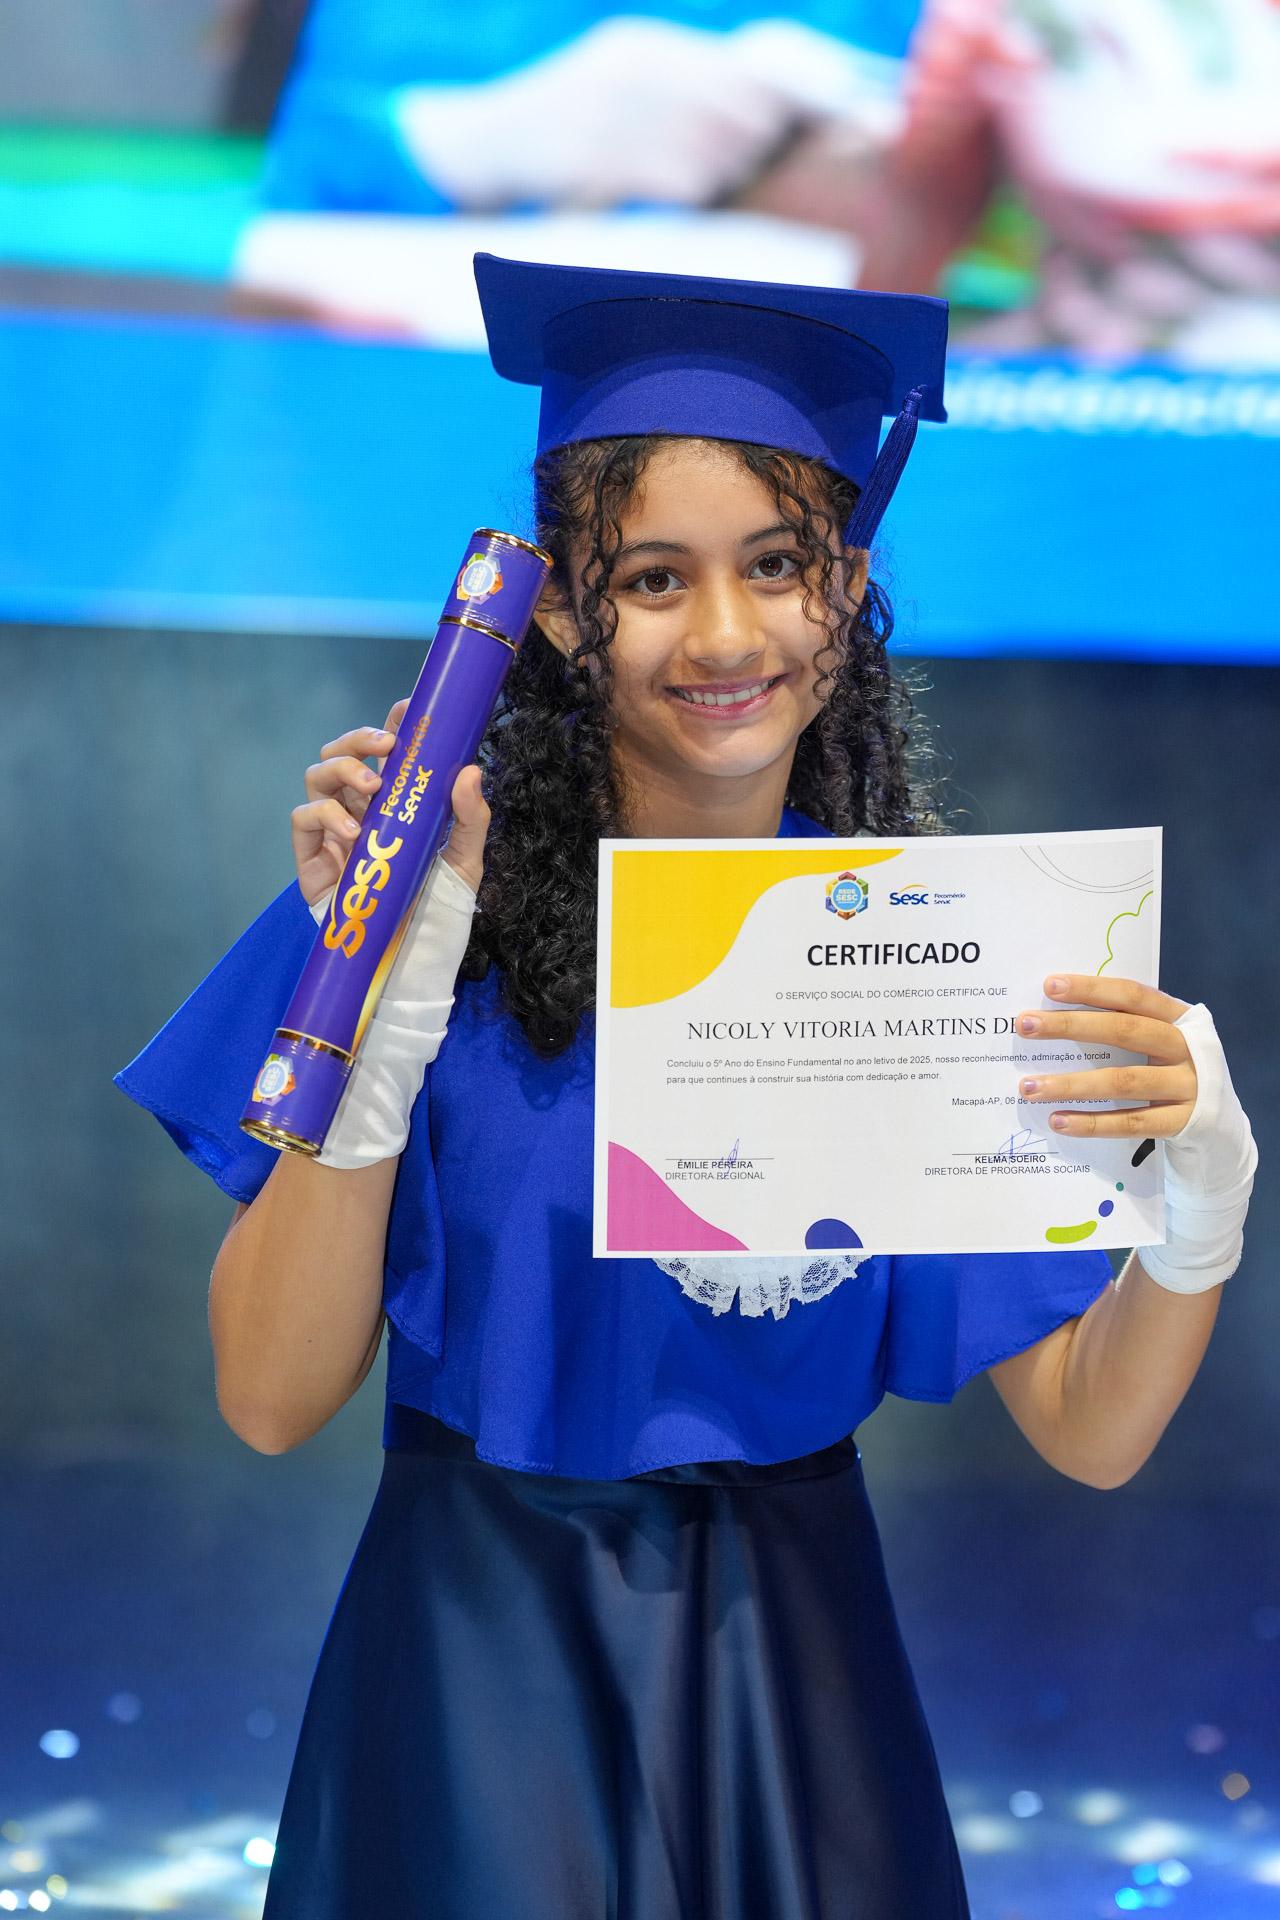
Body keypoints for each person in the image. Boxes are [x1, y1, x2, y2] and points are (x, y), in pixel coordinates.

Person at [113, 255, 1256, 1917]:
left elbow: (1091, 1428)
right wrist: (380, 1013)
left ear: (844, 586)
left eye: (777, 565)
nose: (727, 635)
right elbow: (271, 1399)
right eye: (654, 578)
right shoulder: (413, 906)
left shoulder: (930, 958)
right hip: (474, 1655)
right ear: (560, 613)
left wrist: (1198, 1209)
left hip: (795, 1670)